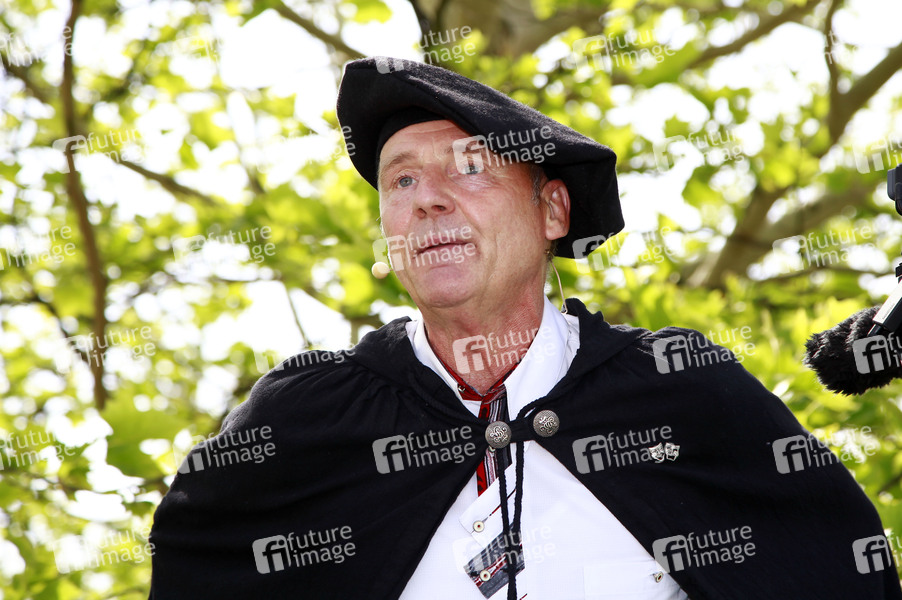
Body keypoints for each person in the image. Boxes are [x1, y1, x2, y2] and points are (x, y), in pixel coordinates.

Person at [148, 57, 902, 599]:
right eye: (401, 179)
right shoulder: (305, 417)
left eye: (469, 167)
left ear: (553, 211)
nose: (427, 199)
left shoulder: (682, 390)